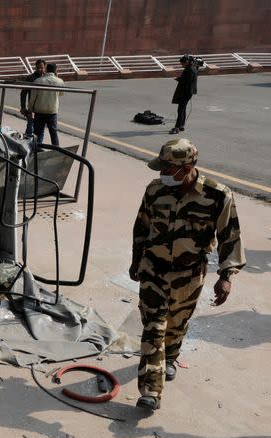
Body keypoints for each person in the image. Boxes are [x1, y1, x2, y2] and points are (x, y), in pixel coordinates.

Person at [129, 139, 244, 411]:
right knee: (153, 327)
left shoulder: (218, 195)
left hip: (189, 273)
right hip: (153, 269)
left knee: (176, 324)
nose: (162, 174)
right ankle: (151, 391)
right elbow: (141, 227)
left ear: (187, 167)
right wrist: (136, 261)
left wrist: (226, 276)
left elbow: (230, 236)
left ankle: (170, 357)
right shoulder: (155, 190)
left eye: (167, 169)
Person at [27, 63, 64, 146]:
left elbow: (33, 98)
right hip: (52, 110)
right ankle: (56, 150)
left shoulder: (38, 81)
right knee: (53, 132)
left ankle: (36, 149)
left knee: (38, 132)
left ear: (46, 69)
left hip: (39, 110)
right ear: (55, 70)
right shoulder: (59, 81)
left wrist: (30, 109)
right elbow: (61, 94)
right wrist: (57, 76)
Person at [169, 55, 198, 135]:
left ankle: (177, 127)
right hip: (189, 92)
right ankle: (181, 125)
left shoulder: (189, 69)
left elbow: (187, 81)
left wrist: (179, 79)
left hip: (186, 92)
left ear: (186, 62)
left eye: (182, 64)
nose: (182, 65)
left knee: (180, 110)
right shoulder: (193, 67)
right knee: (183, 108)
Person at [19, 59, 46, 137]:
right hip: (32, 108)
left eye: (42, 67)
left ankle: (37, 145)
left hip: (43, 109)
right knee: (30, 127)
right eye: (38, 68)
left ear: (45, 67)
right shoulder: (30, 78)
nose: (40, 69)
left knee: (40, 129)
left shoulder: (47, 79)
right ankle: (27, 143)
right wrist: (23, 107)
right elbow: (23, 93)